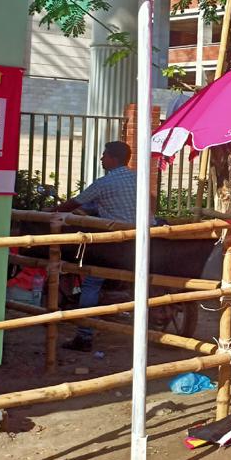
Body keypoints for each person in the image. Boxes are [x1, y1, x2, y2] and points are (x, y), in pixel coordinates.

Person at [58, 141, 137, 352]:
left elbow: (73, 204)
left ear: (113, 158)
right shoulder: (138, 178)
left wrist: (51, 211)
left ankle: (84, 335)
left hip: (115, 245)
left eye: (104, 155)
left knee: (91, 283)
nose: (102, 159)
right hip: (140, 241)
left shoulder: (104, 183)